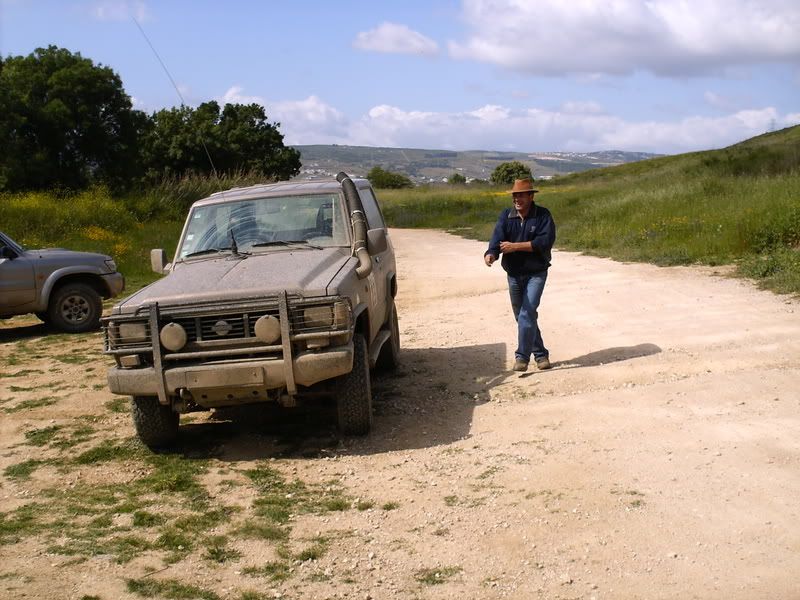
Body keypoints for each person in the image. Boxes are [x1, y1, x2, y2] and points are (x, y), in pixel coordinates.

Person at [484, 178, 556, 372]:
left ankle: (522, 357)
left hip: (536, 273)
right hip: (514, 274)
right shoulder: (507, 216)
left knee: (527, 312)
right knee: (525, 316)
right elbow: (497, 238)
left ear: (531, 196)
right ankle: (541, 354)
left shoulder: (542, 215)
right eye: (515, 195)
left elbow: (544, 242)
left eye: (521, 195)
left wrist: (515, 246)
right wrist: (491, 253)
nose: (517, 199)